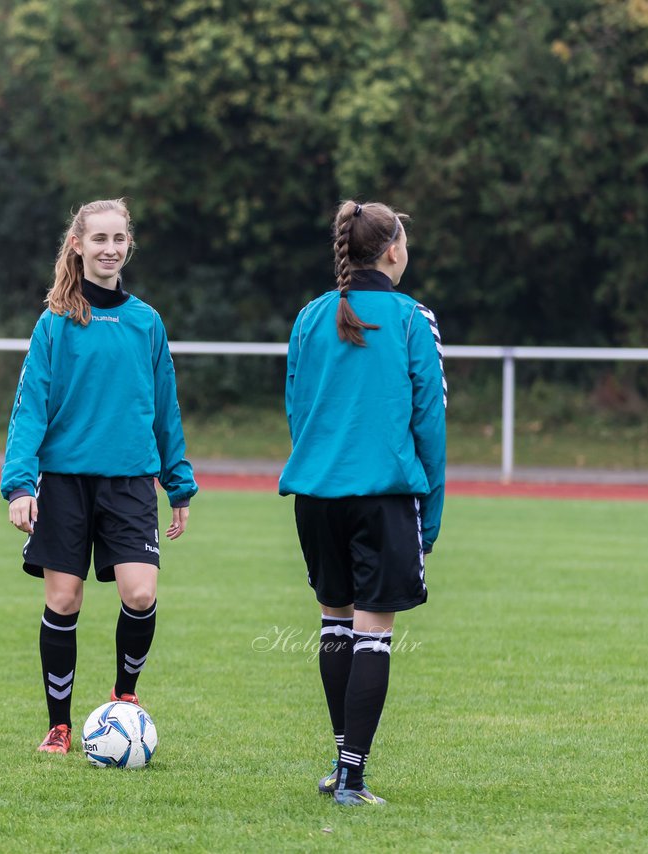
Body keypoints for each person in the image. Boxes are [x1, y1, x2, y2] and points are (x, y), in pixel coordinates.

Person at [1, 198, 198, 755]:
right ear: (78, 245)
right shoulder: (55, 324)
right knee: (64, 602)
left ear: (128, 245)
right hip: (63, 483)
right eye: (100, 239)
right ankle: (59, 727)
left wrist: (178, 482)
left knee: (140, 593)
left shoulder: (146, 322)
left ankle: (124, 699)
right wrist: (19, 484)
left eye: (119, 239)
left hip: (131, 482)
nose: (110, 249)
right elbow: (29, 409)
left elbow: (166, 409)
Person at [279, 200, 447, 806]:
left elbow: (297, 411)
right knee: (373, 632)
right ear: (393, 250)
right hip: (383, 497)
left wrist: (323, 462)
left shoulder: (308, 317)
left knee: (335, 623)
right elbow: (430, 421)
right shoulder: (411, 318)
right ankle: (351, 778)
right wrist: (433, 510)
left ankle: (340, 766)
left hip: (316, 496)